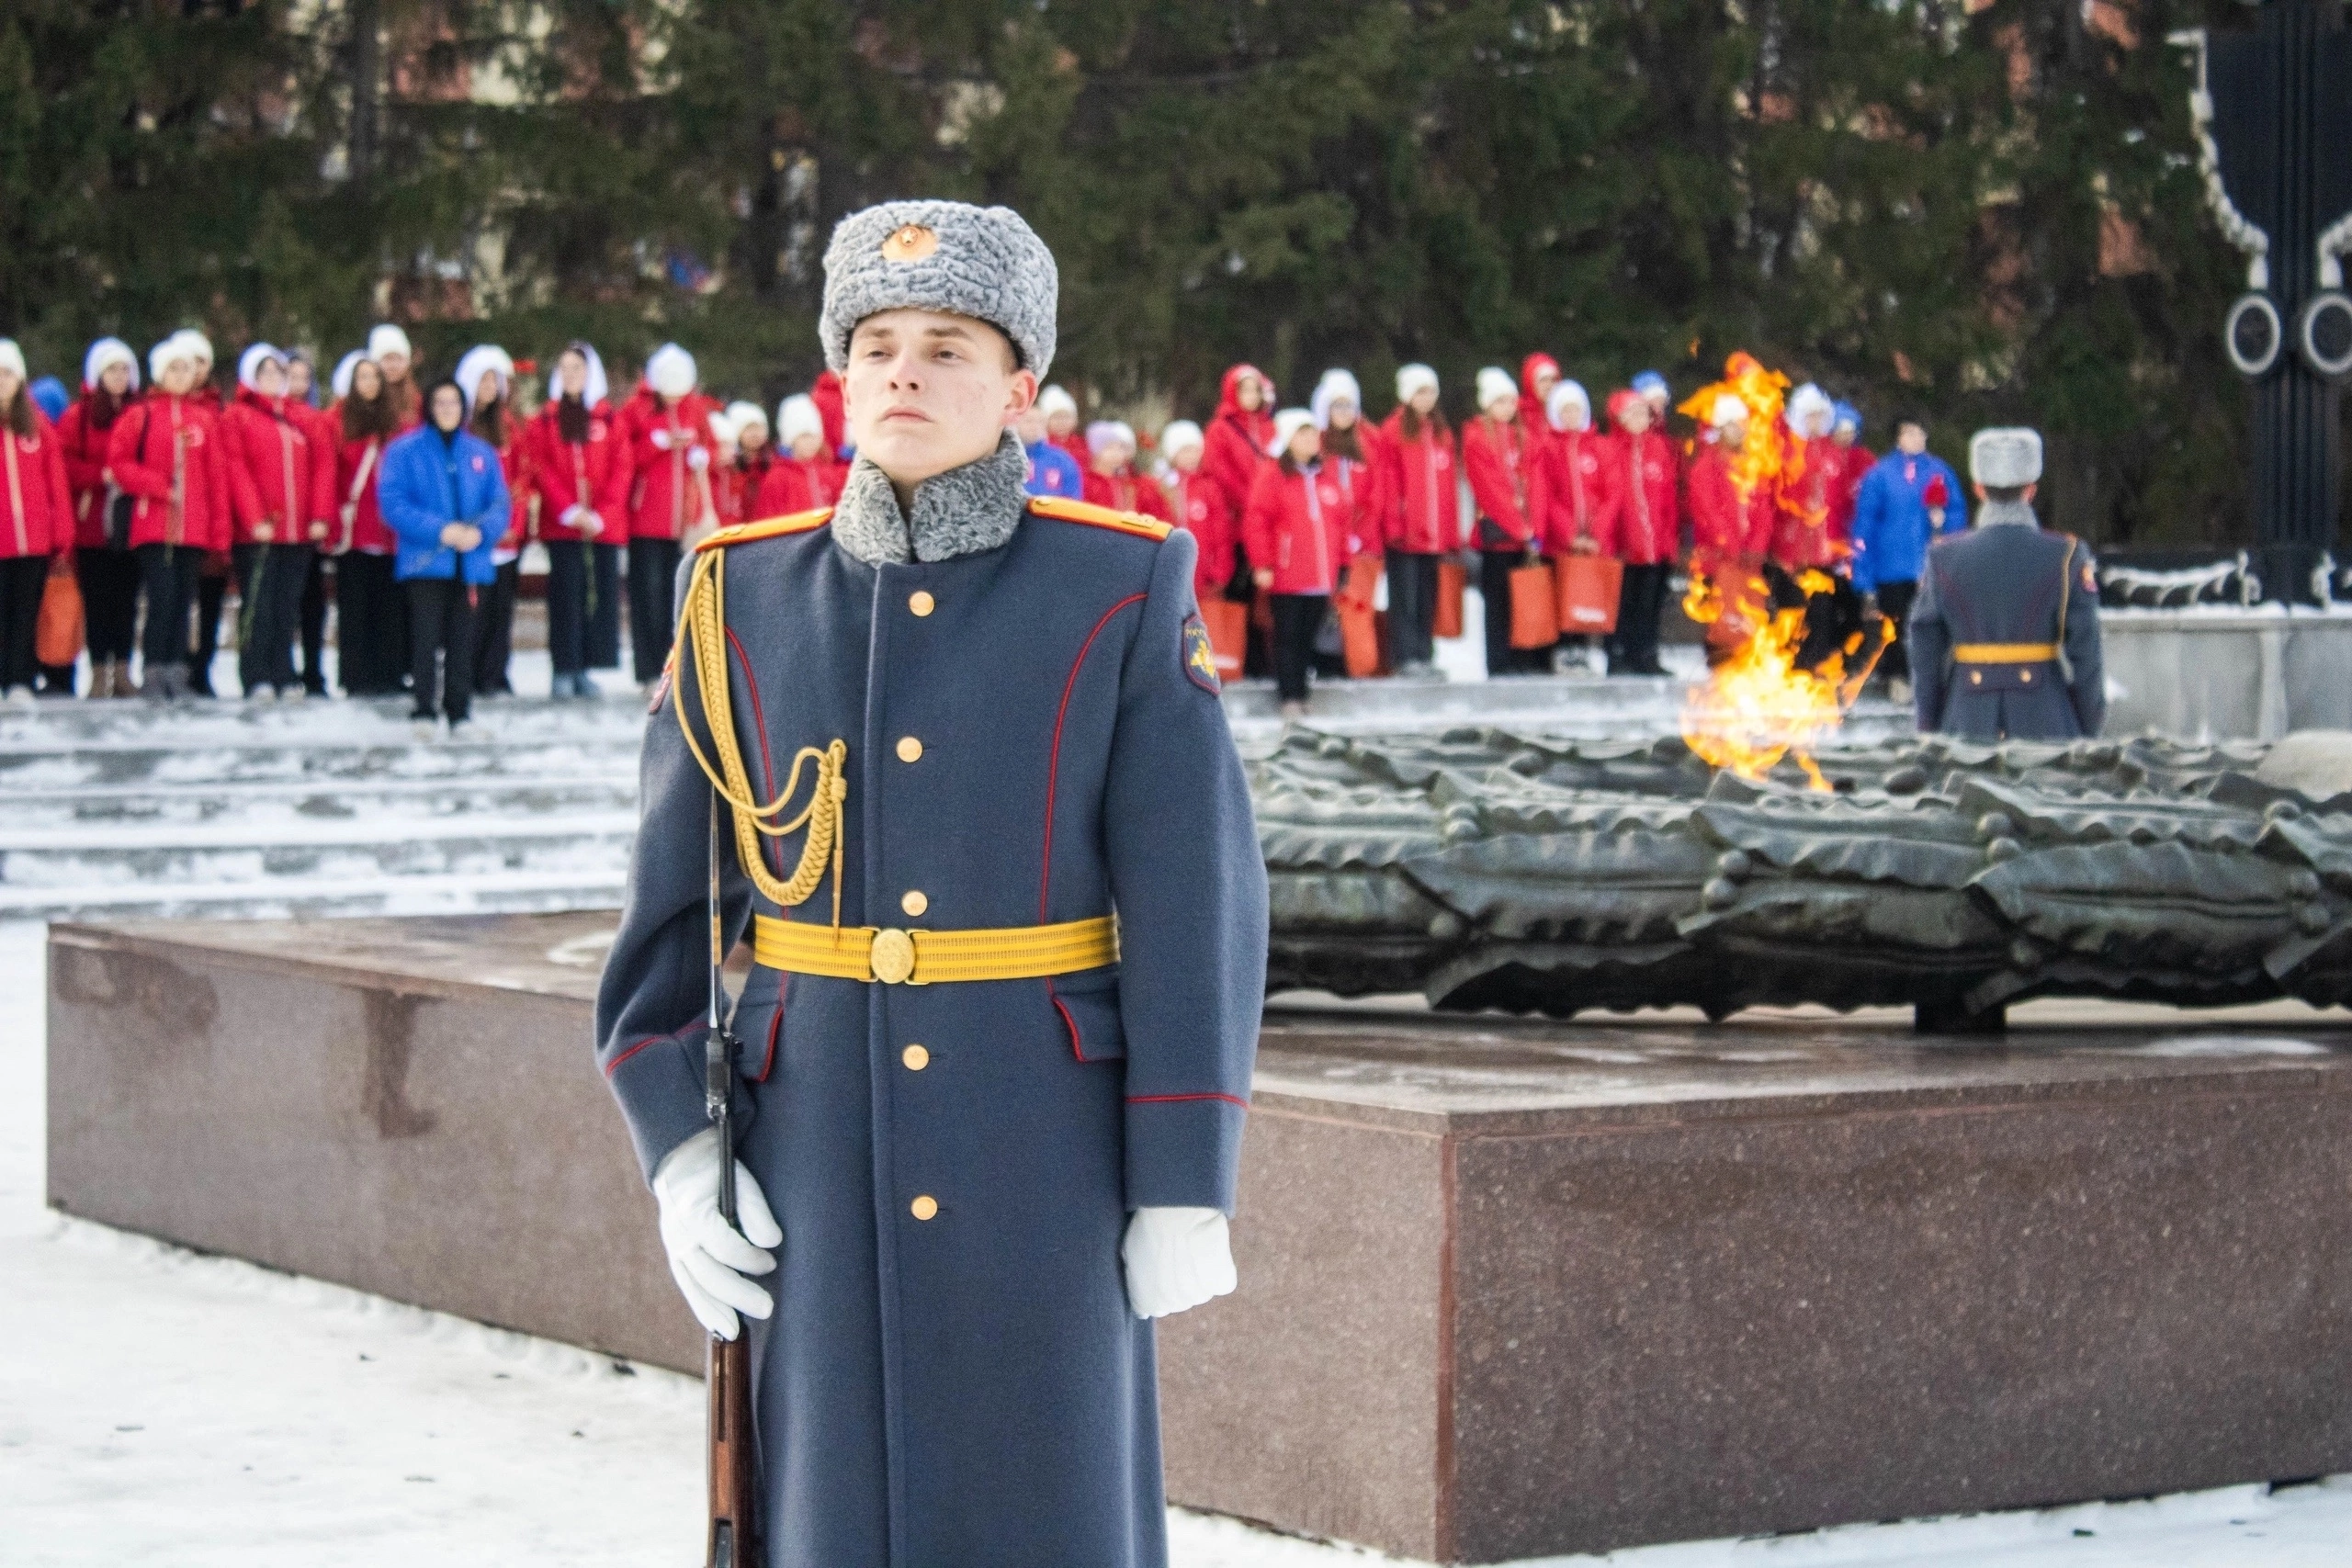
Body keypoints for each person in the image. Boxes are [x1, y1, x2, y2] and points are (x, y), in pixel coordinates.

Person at [596, 197, 1265, 1568]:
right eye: (878, 343)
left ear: (1021, 388)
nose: (905, 370)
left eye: (948, 345)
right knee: (825, 1513)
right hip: (811, 1141)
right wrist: (676, 1147)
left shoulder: (1119, 585)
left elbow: (1197, 903)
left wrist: (1185, 1176)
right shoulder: (739, 593)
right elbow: (667, 918)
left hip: (1045, 1143)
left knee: (1048, 1500)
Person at [1909, 428, 2102, 740]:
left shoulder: (1942, 556)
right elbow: (2086, 650)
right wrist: (2087, 724)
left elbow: (1925, 649)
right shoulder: (2065, 555)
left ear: (1978, 489)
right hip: (2045, 718)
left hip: (1966, 717)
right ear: (2031, 490)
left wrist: (1929, 721)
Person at [379, 377, 509, 734]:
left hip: (470, 562)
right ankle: (423, 708)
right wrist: (440, 530)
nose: (448, 410)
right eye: (441, 402)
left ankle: (459, 710)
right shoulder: (405, 451)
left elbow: (499, 503)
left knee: (462, 640)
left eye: (454, 402)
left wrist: (479, 533)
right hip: (426, 561)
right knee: (425, 638)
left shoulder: (481, 452)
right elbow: (394, 503)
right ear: (429, 408)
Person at [109, 336, 233, 701]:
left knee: (183, 601)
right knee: (161, 599)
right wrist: (157, 486)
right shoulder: (141, 415)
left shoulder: (204, 420)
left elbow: (216, 480)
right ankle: (154, 670)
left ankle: (178, 671)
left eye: (187, 369)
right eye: (174, 369)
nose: (182, 375)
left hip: (192, 530)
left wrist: (219, 532)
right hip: (155, 526)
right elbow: (119, 463)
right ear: (162, 374)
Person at [220, 344, 334, 702]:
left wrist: (318, 515)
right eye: (264, 372)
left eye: (277, 372)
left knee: (287, 605)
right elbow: (236, 467)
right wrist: (253, 518)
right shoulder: (238, 416)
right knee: (260, 603)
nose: (272, 379)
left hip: (296, 531)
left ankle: (284, 671)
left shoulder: (301, 417)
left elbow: (322, 467)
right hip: (259, 532)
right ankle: (256, 674)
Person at [1247, 406, 1375, 718]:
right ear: (1289, 439)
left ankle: (1302, 690)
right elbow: (1257, 520)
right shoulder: (1273, 475)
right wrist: (1262, 563)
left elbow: (1341, 523)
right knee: (1287, 635)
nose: (1311, 440)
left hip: (1321, 574)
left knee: (1308, 636)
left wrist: (1344, 563)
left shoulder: (1325, 478)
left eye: (1312, 434)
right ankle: (1289, 694)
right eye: (1303, 434)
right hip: (1287, 572)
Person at [608, 342, 716, 685]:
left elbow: (710, 445)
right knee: (648, 597)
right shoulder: (635, 409)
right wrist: (657, 444)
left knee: (680, 597)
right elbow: (624, 457)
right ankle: (649, 669)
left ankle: (679, 667)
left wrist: (701, 453)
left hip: (685, 520)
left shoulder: (695, 408)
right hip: (646, 520)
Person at [524, 342, 619, 699]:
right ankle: (563, 667)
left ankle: (586, 667)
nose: (571, 376)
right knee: (565, 595)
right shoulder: (546, 419)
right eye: (564, 369)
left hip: (599, 526)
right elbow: (541, 466)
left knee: (594, 597)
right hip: (563, 525)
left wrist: (603, 513)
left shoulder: (608, 418)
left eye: (577, 369)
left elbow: (620, 467)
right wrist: (567, 509)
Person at [1850, 415, 1966, 701]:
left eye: (1919, 433)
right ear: (1898, 438)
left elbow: (1957, 513)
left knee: (1930, 623)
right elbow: (1865, 523)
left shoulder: (1940, 471)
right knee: (1896, 624)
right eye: (1908, 433)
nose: (1915, 438)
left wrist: (1944, 523)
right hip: (1890, 566)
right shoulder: (1880, 474)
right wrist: (1863, 572)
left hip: (1930, 563)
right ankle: (1897, 679)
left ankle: (1931, 679)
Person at [59, 338, 143, 698]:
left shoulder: (141, 413)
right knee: (97, 599)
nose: (120, 377)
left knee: (126, 598)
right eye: (112, 369)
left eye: (125, 369)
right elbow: (64, 466)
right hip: (92, 522)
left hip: (130, 521)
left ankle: (123, 669)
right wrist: (102, 475)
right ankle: (97, 671)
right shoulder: (78, 417)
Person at [333, 352, 412, 698]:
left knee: (390, 605)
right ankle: (356, 675)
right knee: (355, 606)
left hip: (390, 531)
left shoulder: (396, 425)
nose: (369, 384)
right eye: (362, 377)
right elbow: (332, 474)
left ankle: (390, 672)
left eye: (374, 377)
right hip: (354, 530)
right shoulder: (338, 422)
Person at [1461, 366, 1548, 676]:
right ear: (1487, 404)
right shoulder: (1476, 438)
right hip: (1499, 533)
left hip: (1524, 534)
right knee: (1497, 601)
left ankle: (1521, 657)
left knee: (1522, 598)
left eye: (1511, 402)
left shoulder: (1524, 438)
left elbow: (1537, 485)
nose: (1507, 408)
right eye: (1500, 402)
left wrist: (1534, 527)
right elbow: (1490, 490)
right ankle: (1498, 662)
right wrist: (1520, 527)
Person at [451, 345, 526, 698]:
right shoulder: (461, 428)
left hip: (506, 534)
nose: (490, 387)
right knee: (473, 609)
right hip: (472, 534)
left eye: (495, 380)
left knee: (501, 608)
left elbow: (523, 480)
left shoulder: (510, 427)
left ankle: (496, 673)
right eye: (484, 379)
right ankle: (468, 672)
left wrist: (515, 522)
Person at [0, 342, 73, 706]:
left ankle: (20, 678)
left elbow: (56, 484)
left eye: (8, 374)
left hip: (33, 540)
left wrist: (61, 534)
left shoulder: (37, 425)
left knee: (26, 611)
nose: (2, 382)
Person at [1375, 363, 1458, 677]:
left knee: (1427, 596)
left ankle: (1424, 652)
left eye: (1431, 392)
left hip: (1434, 534)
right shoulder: (1394, 430)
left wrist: (1450, 532)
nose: (1426, 399)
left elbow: (1448, 487)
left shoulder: (1441, 432)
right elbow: (1388, 480)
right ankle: (1405, 654)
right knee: (1405, 596)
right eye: (1420, 392)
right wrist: (1394, 522)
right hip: (1407, 532)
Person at [1603, 389, 1679, 676]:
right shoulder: (1611, 448)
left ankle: (1646, 653)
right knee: (1623, 601)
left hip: (1655, 542)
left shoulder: (1659, 448)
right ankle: (1618, 654)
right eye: (1632, 413)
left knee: (1650, 601)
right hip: (1624, 543)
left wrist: (1669, 539)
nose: (1639, 419)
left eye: (1643, 413)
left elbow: (1667, 499)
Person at [1157, 420, 1233, 606]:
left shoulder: (1208, 486)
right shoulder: (1162, 487)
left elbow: (1222, 532)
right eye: (1184, 450)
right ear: (1172, 454)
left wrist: (1220, 571)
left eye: (1195, 450)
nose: (1191, 456)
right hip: (1170, 575)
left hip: (1205, 576)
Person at [757, 392, 846, 515]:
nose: (810, 442)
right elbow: (767, 518)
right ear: (791, 440)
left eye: (814, 436)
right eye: (804, 437)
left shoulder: (827, 472)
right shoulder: (777, 478)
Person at [1081, 420, 1175, 523]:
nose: (1116, 453)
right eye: (1109, 448)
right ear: (1095, 452)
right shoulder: (1085, 482)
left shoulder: (1126, 484)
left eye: (1120, 448)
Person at [1013, 395, 1084, 500]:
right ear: (1015, 423)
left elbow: (1074, 499)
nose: (1035, 427)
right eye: (1029, 421)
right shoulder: (1006, 457)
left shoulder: (1062, 459)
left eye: (1040, 422)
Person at [715, 401, 774, 525]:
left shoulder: (773, 463)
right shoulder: (731, 468)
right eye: (749, 429)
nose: (755, 434)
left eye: (759, 428)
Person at [368, 323, 423, 428]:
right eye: (387, 359)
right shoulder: (364, 401)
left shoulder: (417, 402)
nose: (393, 365)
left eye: (399, 359)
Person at [1039, 382, 1086, 466]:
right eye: (1056, 417)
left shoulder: (1082, 444)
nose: (1062, 422)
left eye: (1066, 417)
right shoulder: (1043, 444)